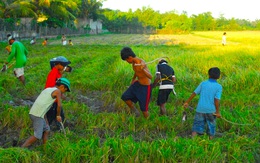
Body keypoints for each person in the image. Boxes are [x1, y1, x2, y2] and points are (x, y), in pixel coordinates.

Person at [21, 78, 71, 148]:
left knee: (47, 129)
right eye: (65, 90)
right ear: (62, 86)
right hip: (37, 115)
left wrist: (46, 120)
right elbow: (59, 105)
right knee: (37, 136)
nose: (63, 93)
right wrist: (58, 115)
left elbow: (43, 105)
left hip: (36, 113)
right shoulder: (58, 91)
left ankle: (45, 147)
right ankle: (21, 148)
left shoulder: (48, 89)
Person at [183, 67, 222, 140]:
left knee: (196, 126)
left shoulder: (203, 83)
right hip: (211, 111)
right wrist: (217, 112)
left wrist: (187, 102)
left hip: (200, 109)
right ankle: (210, 141)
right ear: (219, 76)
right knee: (211, 127)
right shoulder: (218, 87)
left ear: (209, 75)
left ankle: (193, 140)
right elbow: (216, 100)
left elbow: (194, 93)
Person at [120, 47, 152, 118]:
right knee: (125, 97)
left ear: (130, 57)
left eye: (126, 60)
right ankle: (135, 111)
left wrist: (143, 68)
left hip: (146, 87)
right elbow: (136, 72)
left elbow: (150, 77)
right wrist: (133, 79)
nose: (127, 61)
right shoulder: (133, 62)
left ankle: (147, 122)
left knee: (144, 109)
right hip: (138, 84)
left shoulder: (141, 62)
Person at [45, 56, 72, 130]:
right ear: (59, 64)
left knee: (60, 115)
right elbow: (50, 88)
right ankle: (46, 131)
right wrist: (59, 94)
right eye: (64, 65)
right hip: (51, 100)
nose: (64, 68)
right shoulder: (53, 73)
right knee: (50, 118)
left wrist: (61, 94)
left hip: (55, 99)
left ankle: (60, 129)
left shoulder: (58, 73)